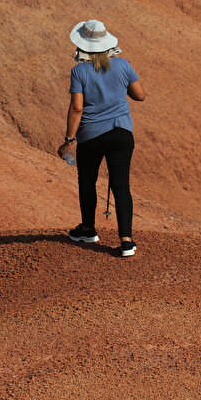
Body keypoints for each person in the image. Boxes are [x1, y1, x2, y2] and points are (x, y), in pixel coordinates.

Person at [57, 19, 146, 257]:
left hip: (92, 136)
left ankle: (88, 230)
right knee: (121, 186)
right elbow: (140, 96)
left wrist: (69, 139)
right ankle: (126, 240)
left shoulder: (79, 71)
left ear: (83, 46)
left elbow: (77, 108)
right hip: (121, 133)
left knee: (87, 181)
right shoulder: (123, 65)